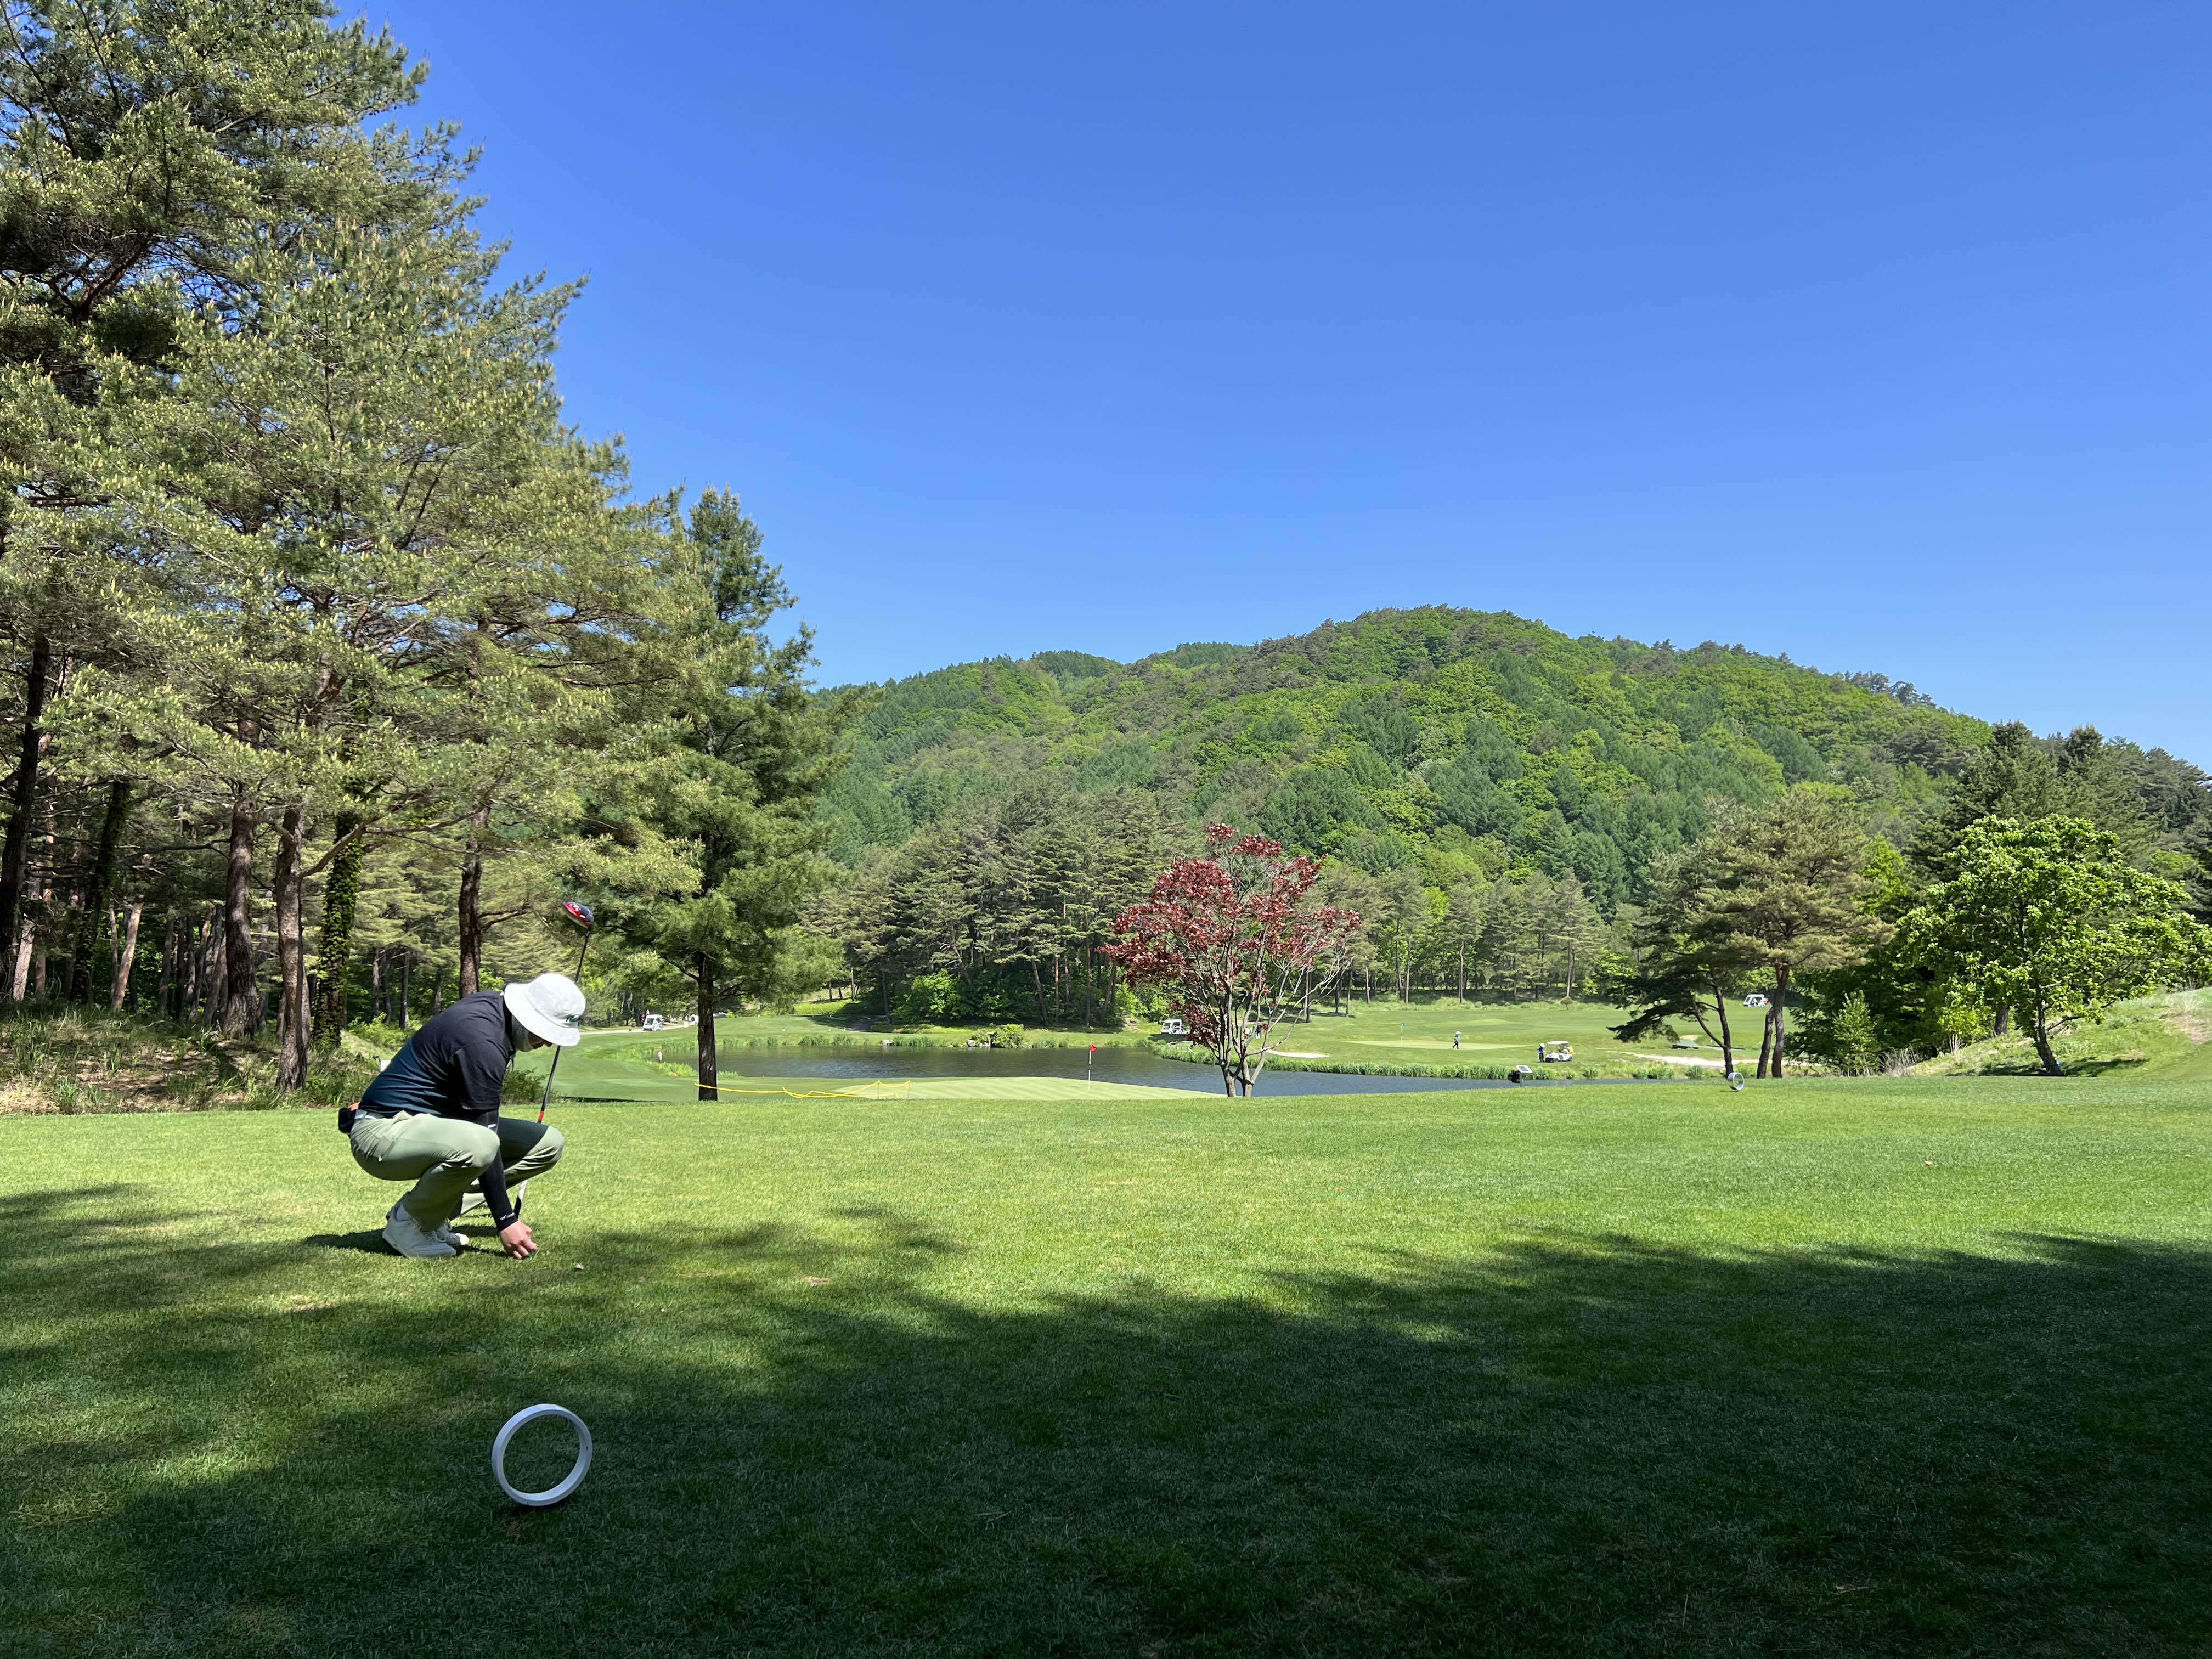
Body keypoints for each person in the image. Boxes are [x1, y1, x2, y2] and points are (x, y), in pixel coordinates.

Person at [345, 973, 582, 1260]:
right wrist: (506, 1220)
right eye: (546, 1033)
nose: (548, 1044)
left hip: (425, 1124)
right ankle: (409, 1225)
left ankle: (432, 1214)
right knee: (483, 1144)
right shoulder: (482, 1039)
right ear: (526, 1017)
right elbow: (486, 1134)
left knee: (548, 1144)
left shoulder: (496, 1011)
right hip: (382, 1132)